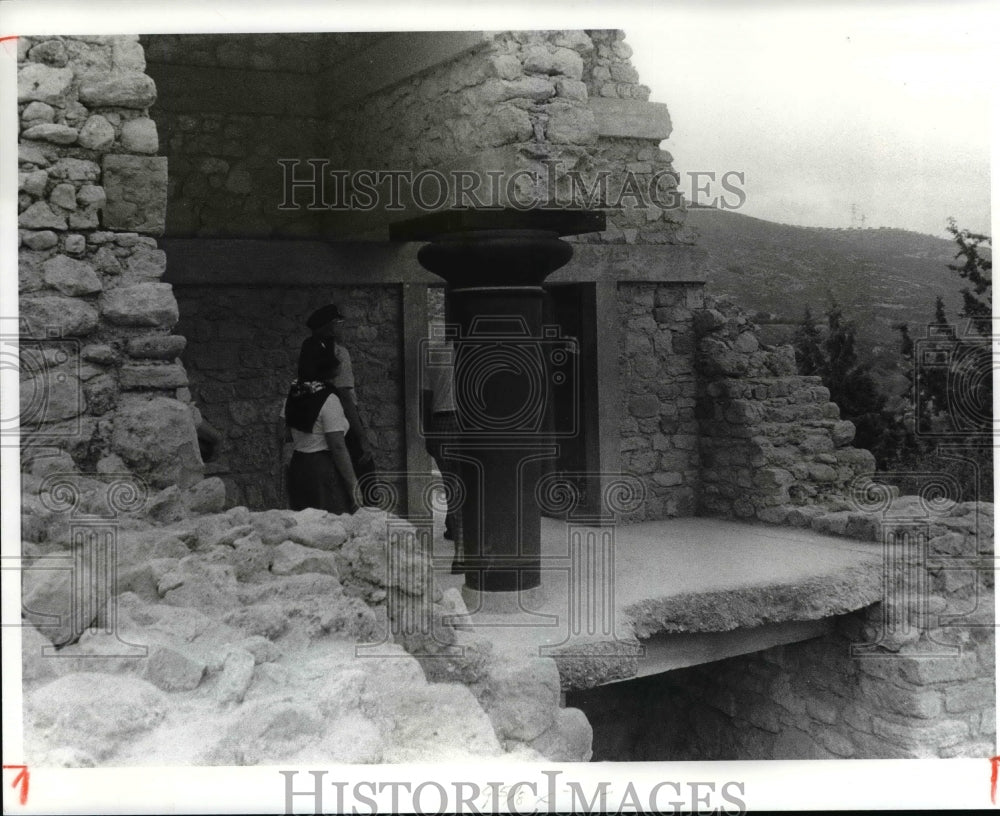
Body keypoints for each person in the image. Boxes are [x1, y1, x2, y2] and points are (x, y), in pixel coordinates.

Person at [302, 304, 376, 493]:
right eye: (340, 323)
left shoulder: (308, 349)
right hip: (341, 419)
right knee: (365, 476)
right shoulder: (339, 353)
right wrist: (362, 438)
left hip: (316, 422)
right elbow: (344, 396)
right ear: (332, 325)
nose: (343, 327)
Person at [282, 339, 358, 514]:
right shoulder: (328, 399)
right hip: (322, 470)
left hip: (299, 465)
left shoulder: (296, 392)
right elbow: (338, 446)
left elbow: (285, 432)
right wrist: (354, 486)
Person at [421, 323, 465, 573]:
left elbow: (425, 399)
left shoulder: (434, 354)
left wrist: (428, 433)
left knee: (453, 489)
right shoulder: (476, 353)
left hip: (441, 423)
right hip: (468, 423)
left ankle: (460, 553)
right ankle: (472, 549)